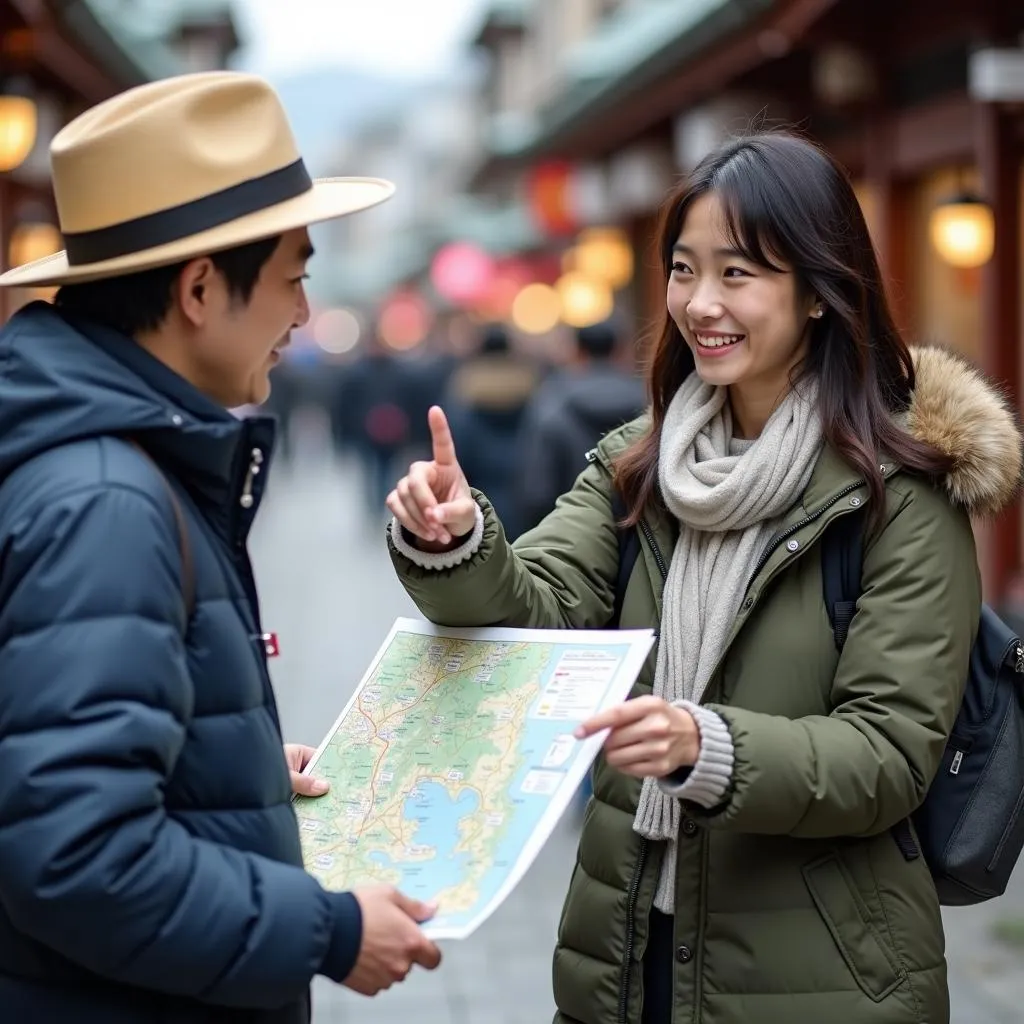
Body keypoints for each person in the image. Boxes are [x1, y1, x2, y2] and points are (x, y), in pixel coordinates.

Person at [384, 132, 1022, 1024]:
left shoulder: (900, 499)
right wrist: (454, 541)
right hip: (626, 958)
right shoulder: (639, 468)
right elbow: (534, 614)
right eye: (684, 270)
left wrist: (703, 747)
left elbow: (887, 757)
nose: (700, 302)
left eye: (739, 273)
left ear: (817, 290)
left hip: (824, 982)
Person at [0, 72, 440, 1023]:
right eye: (293, 276)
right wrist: (327, 928)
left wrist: (223, 768)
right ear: (201, 288)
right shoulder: (109, 500)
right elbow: (76, 857)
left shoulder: (104, 461)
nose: (300, 312)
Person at [518, 320, 646, 532]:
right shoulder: (647, 403)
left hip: (569, 536)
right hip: (639, 538)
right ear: (619, 350)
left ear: (577, 351)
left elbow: (537, 491)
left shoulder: (551, 403)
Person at [442, 323, 543, 541]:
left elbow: (459, 439)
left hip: (482, 482)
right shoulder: (529, 380)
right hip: (523, 481)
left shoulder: (466, 383)